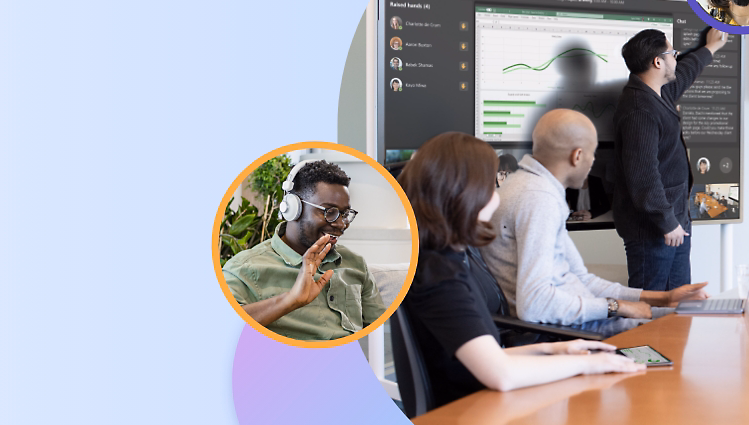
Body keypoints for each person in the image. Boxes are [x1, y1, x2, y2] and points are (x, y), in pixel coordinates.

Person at [398, 132, 643, 410]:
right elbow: (501, 374)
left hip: (480, 401)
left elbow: (491, 354)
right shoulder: (438, 276)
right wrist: (587, 363)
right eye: (490, 187)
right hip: (468, 413)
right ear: (464, 193)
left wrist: (555, 349)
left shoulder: (445, 259)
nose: (496, 197)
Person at [482, 110, 709, 333]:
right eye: (593, 153)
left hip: (585, 320)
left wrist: (664, 297)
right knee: (691, 326)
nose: (593, 161)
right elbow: (534, 304)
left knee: (690, 315)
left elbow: (582, 279)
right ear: (577, 156)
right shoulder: (538, 199)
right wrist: (616, 307)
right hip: (571, 333)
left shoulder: (527, 186)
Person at [613, 26, 729, 291]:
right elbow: (643, 176)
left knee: (680, 303)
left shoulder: (656, 93)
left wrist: (710, 47)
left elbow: (684, 74)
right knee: (652, 310)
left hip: (674, 222)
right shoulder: (639, 109)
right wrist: (667, 222)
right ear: (657, 62)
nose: (676, 58)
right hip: (655, 230)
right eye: (672, 53)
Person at [223, 160, 385, 341]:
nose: (341, 224)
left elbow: (382, 332)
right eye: (329, 211)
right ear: (293, 208)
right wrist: (290, 300)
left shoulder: (355, 263)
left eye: (345, 214)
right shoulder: (244, 269)